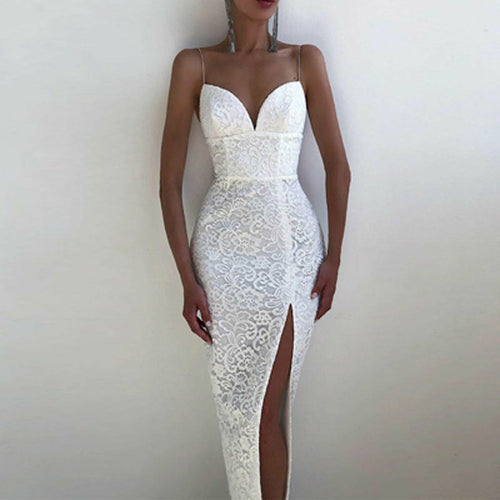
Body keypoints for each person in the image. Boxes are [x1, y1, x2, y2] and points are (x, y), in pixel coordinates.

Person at [159, 1, 350, 498]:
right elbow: (169, 183)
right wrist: (187, 280)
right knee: (238, 407)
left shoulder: (305, 60)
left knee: (269, 405)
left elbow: (338, 167)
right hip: (221, 257)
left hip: (291, 251)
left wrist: (334, 257)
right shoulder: (194, 65)